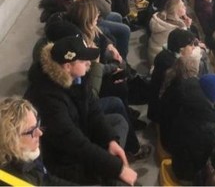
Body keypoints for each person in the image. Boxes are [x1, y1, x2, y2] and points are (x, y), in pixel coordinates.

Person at [24, 35, 138, 185]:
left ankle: (111, 169)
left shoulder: (77, 76)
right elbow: (74, 144)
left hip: (79, 131)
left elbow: (93, 111)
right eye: (83, 60)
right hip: (62, 159)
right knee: (115, 176)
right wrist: (117, 169)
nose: (88, 63)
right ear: (67, 66)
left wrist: (110, 140)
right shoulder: (47, 99)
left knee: (118, 122)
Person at [0, 97, 75, 185]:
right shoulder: (13, 180)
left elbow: (47, 181)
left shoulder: (29, 154)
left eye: (37, 125)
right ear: (10, 139)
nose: (40, 133)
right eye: (31, 130)